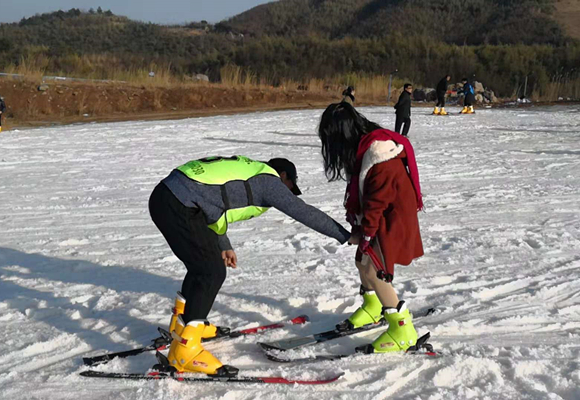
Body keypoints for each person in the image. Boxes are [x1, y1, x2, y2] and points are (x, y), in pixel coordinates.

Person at [149, 156, 351, 375]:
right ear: (283, 176)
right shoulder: (269, 182)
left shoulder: (246, 170)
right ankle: (185, 351)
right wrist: (346, 235)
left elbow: (212, 208)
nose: (288, 193)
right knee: (210, 272)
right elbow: (303, 212)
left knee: (202, 267)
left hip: (171, 197)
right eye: (291, 186)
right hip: (177, 205)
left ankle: (183, 325)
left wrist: (223, 244)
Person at [318, 102, 424, 354]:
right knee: (362, 261)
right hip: (380, 214)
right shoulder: (364, 147)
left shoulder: (380, 157)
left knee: (376, 269)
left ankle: (402, 329)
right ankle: (373, 306)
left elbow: (377, 202)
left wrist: (366, 233)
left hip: (392, 218)